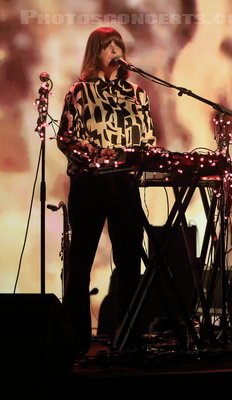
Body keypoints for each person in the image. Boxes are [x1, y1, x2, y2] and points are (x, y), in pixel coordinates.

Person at [56, 27, 156, 356]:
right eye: (106, 46)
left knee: (130, 262)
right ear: (94, 53)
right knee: (81, 261)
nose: (114, 49)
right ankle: (76, 341)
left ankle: (128, 338)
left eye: (118, 45)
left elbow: (148, 139)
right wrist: (99, 157)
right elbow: (66, 138)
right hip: (90, 184)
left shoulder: (136, 94)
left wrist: (137, 157)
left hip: (124, 183)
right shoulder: (79, 92)